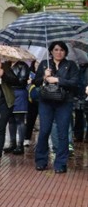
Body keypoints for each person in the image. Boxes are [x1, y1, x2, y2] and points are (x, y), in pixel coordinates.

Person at [32, 41, 80, 174]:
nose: (59, 52)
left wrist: (57, 79)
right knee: (44, 131)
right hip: (46, 101)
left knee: (63, 133)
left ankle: (60, 163)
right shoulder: (44, 64)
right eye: (56, 50)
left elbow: (75, 83)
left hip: (64, 102)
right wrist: (44, 76)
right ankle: (41, 161)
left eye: (62, 50)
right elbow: (35, 82)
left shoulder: (70, 65)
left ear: (65, 52)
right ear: (51, 51)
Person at [6, 60, 31, 155]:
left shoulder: (22, 65)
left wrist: (7, 77)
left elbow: (22, 80)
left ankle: (20, 144)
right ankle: (12, 143)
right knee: (11, 120)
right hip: (9, 93)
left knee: (19, 119)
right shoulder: (6, 64)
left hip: (19, 92)